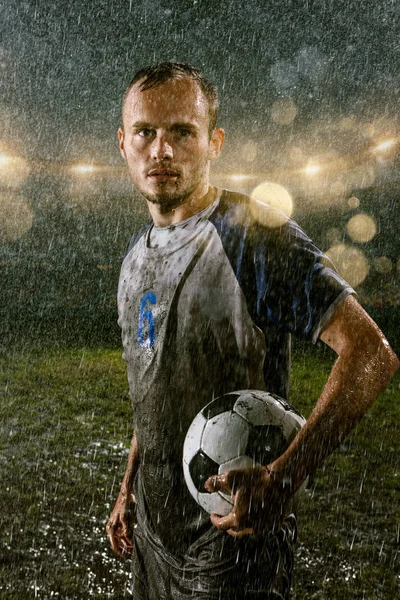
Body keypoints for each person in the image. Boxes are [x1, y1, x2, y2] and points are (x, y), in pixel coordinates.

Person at [106, 61, 398, 599]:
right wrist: (129, 486)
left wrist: (284, 478)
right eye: (145, 132)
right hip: (153, 534)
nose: (161, 150)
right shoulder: (133, 260)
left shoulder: (252, 236)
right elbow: (153, 385)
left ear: (214, 142)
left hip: (234, 539)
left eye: (181, 132)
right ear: (123, 143)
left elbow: (371, 353)